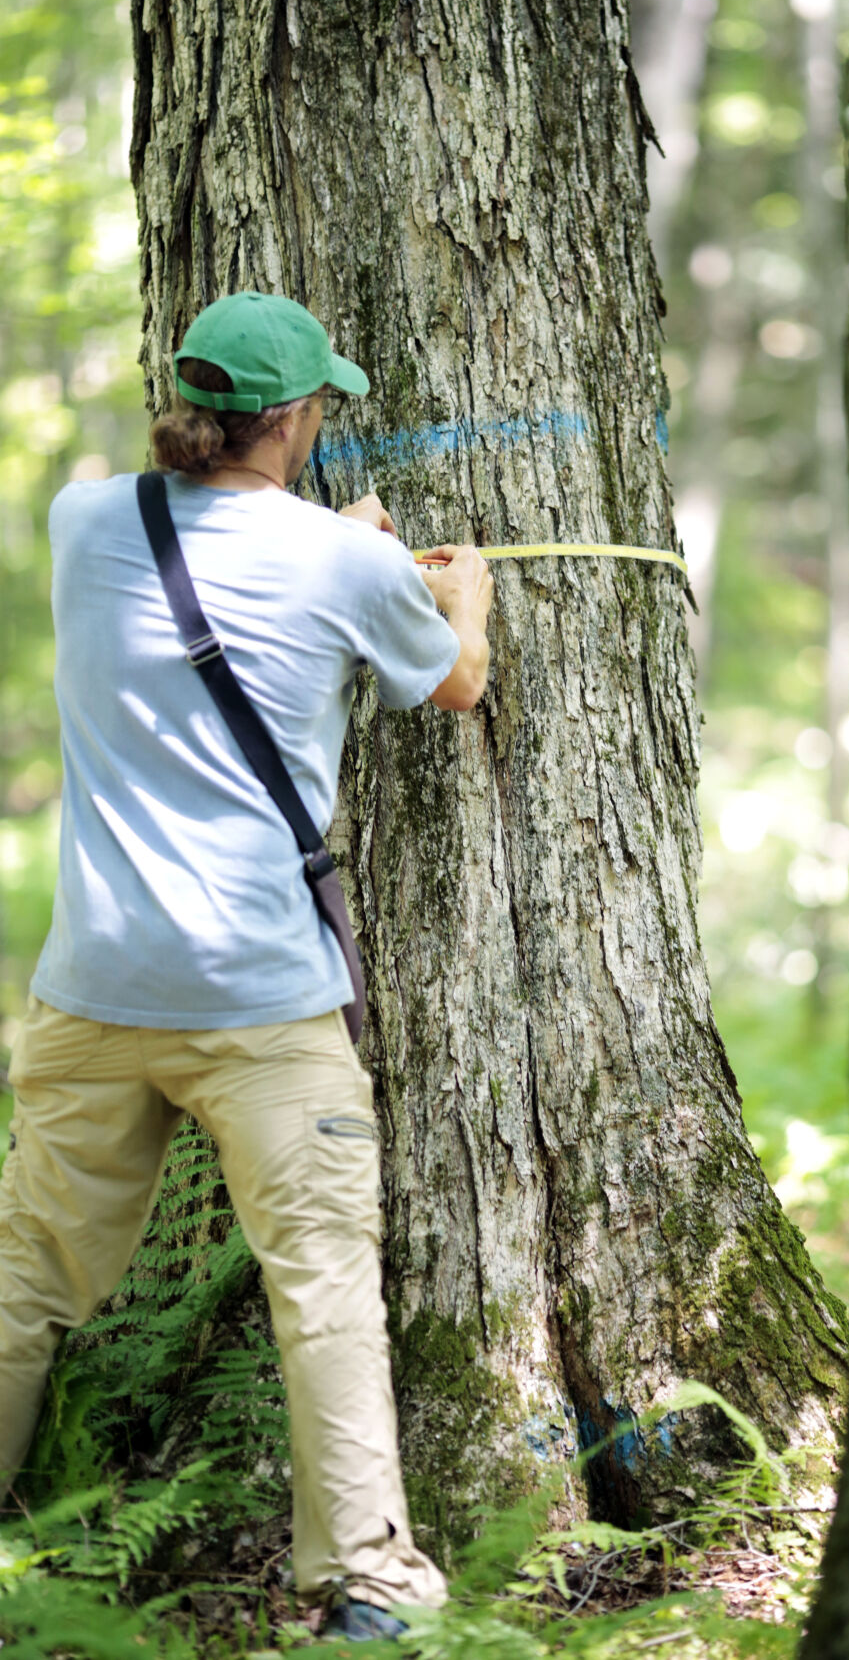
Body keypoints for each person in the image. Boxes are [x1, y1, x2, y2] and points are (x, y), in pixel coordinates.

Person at [0, 291, 493, 1643]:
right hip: (262, 1003)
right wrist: (458, 593)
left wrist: (339, 550)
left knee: (28, 1277)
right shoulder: (347, 567)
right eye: (317, 402)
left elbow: (218, 546)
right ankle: (366, 1587)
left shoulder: (85, 521)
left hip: (91, 989)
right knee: (322, 1282)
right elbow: (453, 686)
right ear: (289, 418)